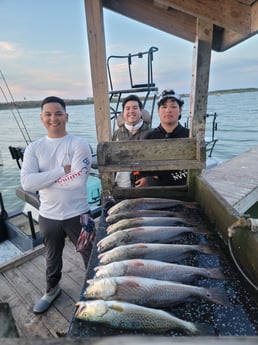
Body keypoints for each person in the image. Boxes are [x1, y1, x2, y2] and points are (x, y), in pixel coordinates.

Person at [20, 96, 93, 314]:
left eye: (58, 113)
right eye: (48, 114)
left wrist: (44, 179)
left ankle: (97, 288)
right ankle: (52, 289)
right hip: (48, 215)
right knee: (52, 257)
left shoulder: (79, 144)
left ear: (66, 116)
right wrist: (63, 170)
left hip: (80, 214)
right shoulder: (34, 148)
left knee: (90, 254)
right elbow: (27, 182)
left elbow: (79, 180)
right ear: (42, 118)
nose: (54, 118)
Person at [135, 89, 189, 187]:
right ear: (158, 111)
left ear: (180, 110)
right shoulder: (149, 138)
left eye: (173, 106)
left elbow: (191, 171)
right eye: (164, 107)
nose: (168, 110)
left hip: (184, 191)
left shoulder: (189, 135)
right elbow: (140, 171)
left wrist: (158, 179)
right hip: (154, 193)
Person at [112, 94, 151, 187]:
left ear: (141, 111)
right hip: (121, 185)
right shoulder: (116, 134)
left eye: (135, 108)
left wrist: (149, 179)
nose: (131, 111)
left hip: (145, 187)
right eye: (127, 108)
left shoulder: (152, 133)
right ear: (123, 112)